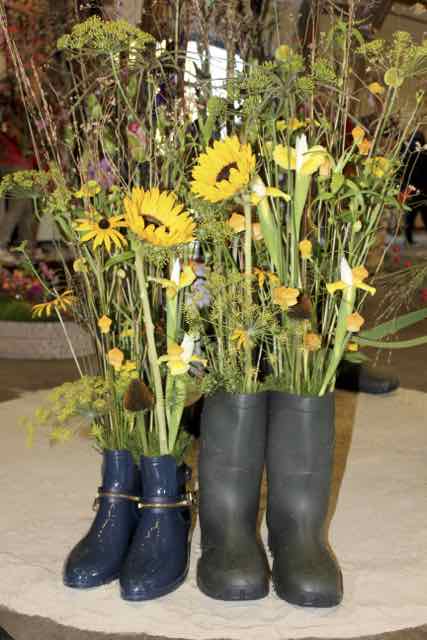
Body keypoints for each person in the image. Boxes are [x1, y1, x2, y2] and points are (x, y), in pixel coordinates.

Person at [401, 130, 427, 244]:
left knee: (410, 215)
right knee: (424, 214)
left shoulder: (406, 151)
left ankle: (408, 239)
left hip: (410, 188)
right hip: (423, 188)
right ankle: (408, 239)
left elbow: (402, 170)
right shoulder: (424, 151)